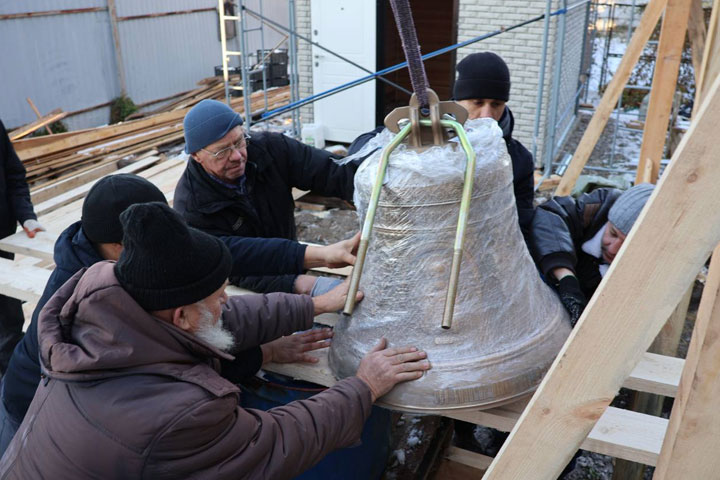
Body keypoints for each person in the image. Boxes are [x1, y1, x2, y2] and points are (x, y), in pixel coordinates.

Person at [0, 202, 430, 478]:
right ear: (182, 315)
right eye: (218, 295)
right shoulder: (175, 412)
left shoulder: (111, 314)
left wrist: (312, 306)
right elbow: (277, 441)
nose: (228, 300)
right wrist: (364, 387)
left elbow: (224, 320)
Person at [0, 173, 354, 454]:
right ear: (123, 246)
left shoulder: (121, 258)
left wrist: (317, 257)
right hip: (30, 413)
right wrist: (266, 352)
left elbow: (220, 254)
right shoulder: (99, 306)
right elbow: (174, 373)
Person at [174, 99, 359, 295]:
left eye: (239, 142)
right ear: (196, 156)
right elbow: (237, 258)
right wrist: (307, 281)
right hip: (241, 286)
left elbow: (332, 172)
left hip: (292, 259)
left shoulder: (270, 149)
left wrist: (371, 179)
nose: (237, 156)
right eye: (222, 152)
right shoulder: (191, 206)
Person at [347, 51, 535, 241]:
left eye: (496, 104)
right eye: (477, 102)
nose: (487, 114)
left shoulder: (518, 159)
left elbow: (521, 222)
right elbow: (362, 149)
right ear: (458, 102)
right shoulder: (431, 137)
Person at [529, 183, 655, 324]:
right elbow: (550, 217)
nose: (613, 249)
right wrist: (566, 278)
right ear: (608, 219)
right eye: (613, 234)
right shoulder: (596, 206)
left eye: (627, 244)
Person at [0, 120, 45, 375]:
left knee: (9, 317)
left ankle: (13, 377)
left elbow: (13, 175)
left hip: (2, 239)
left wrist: (27, 216)